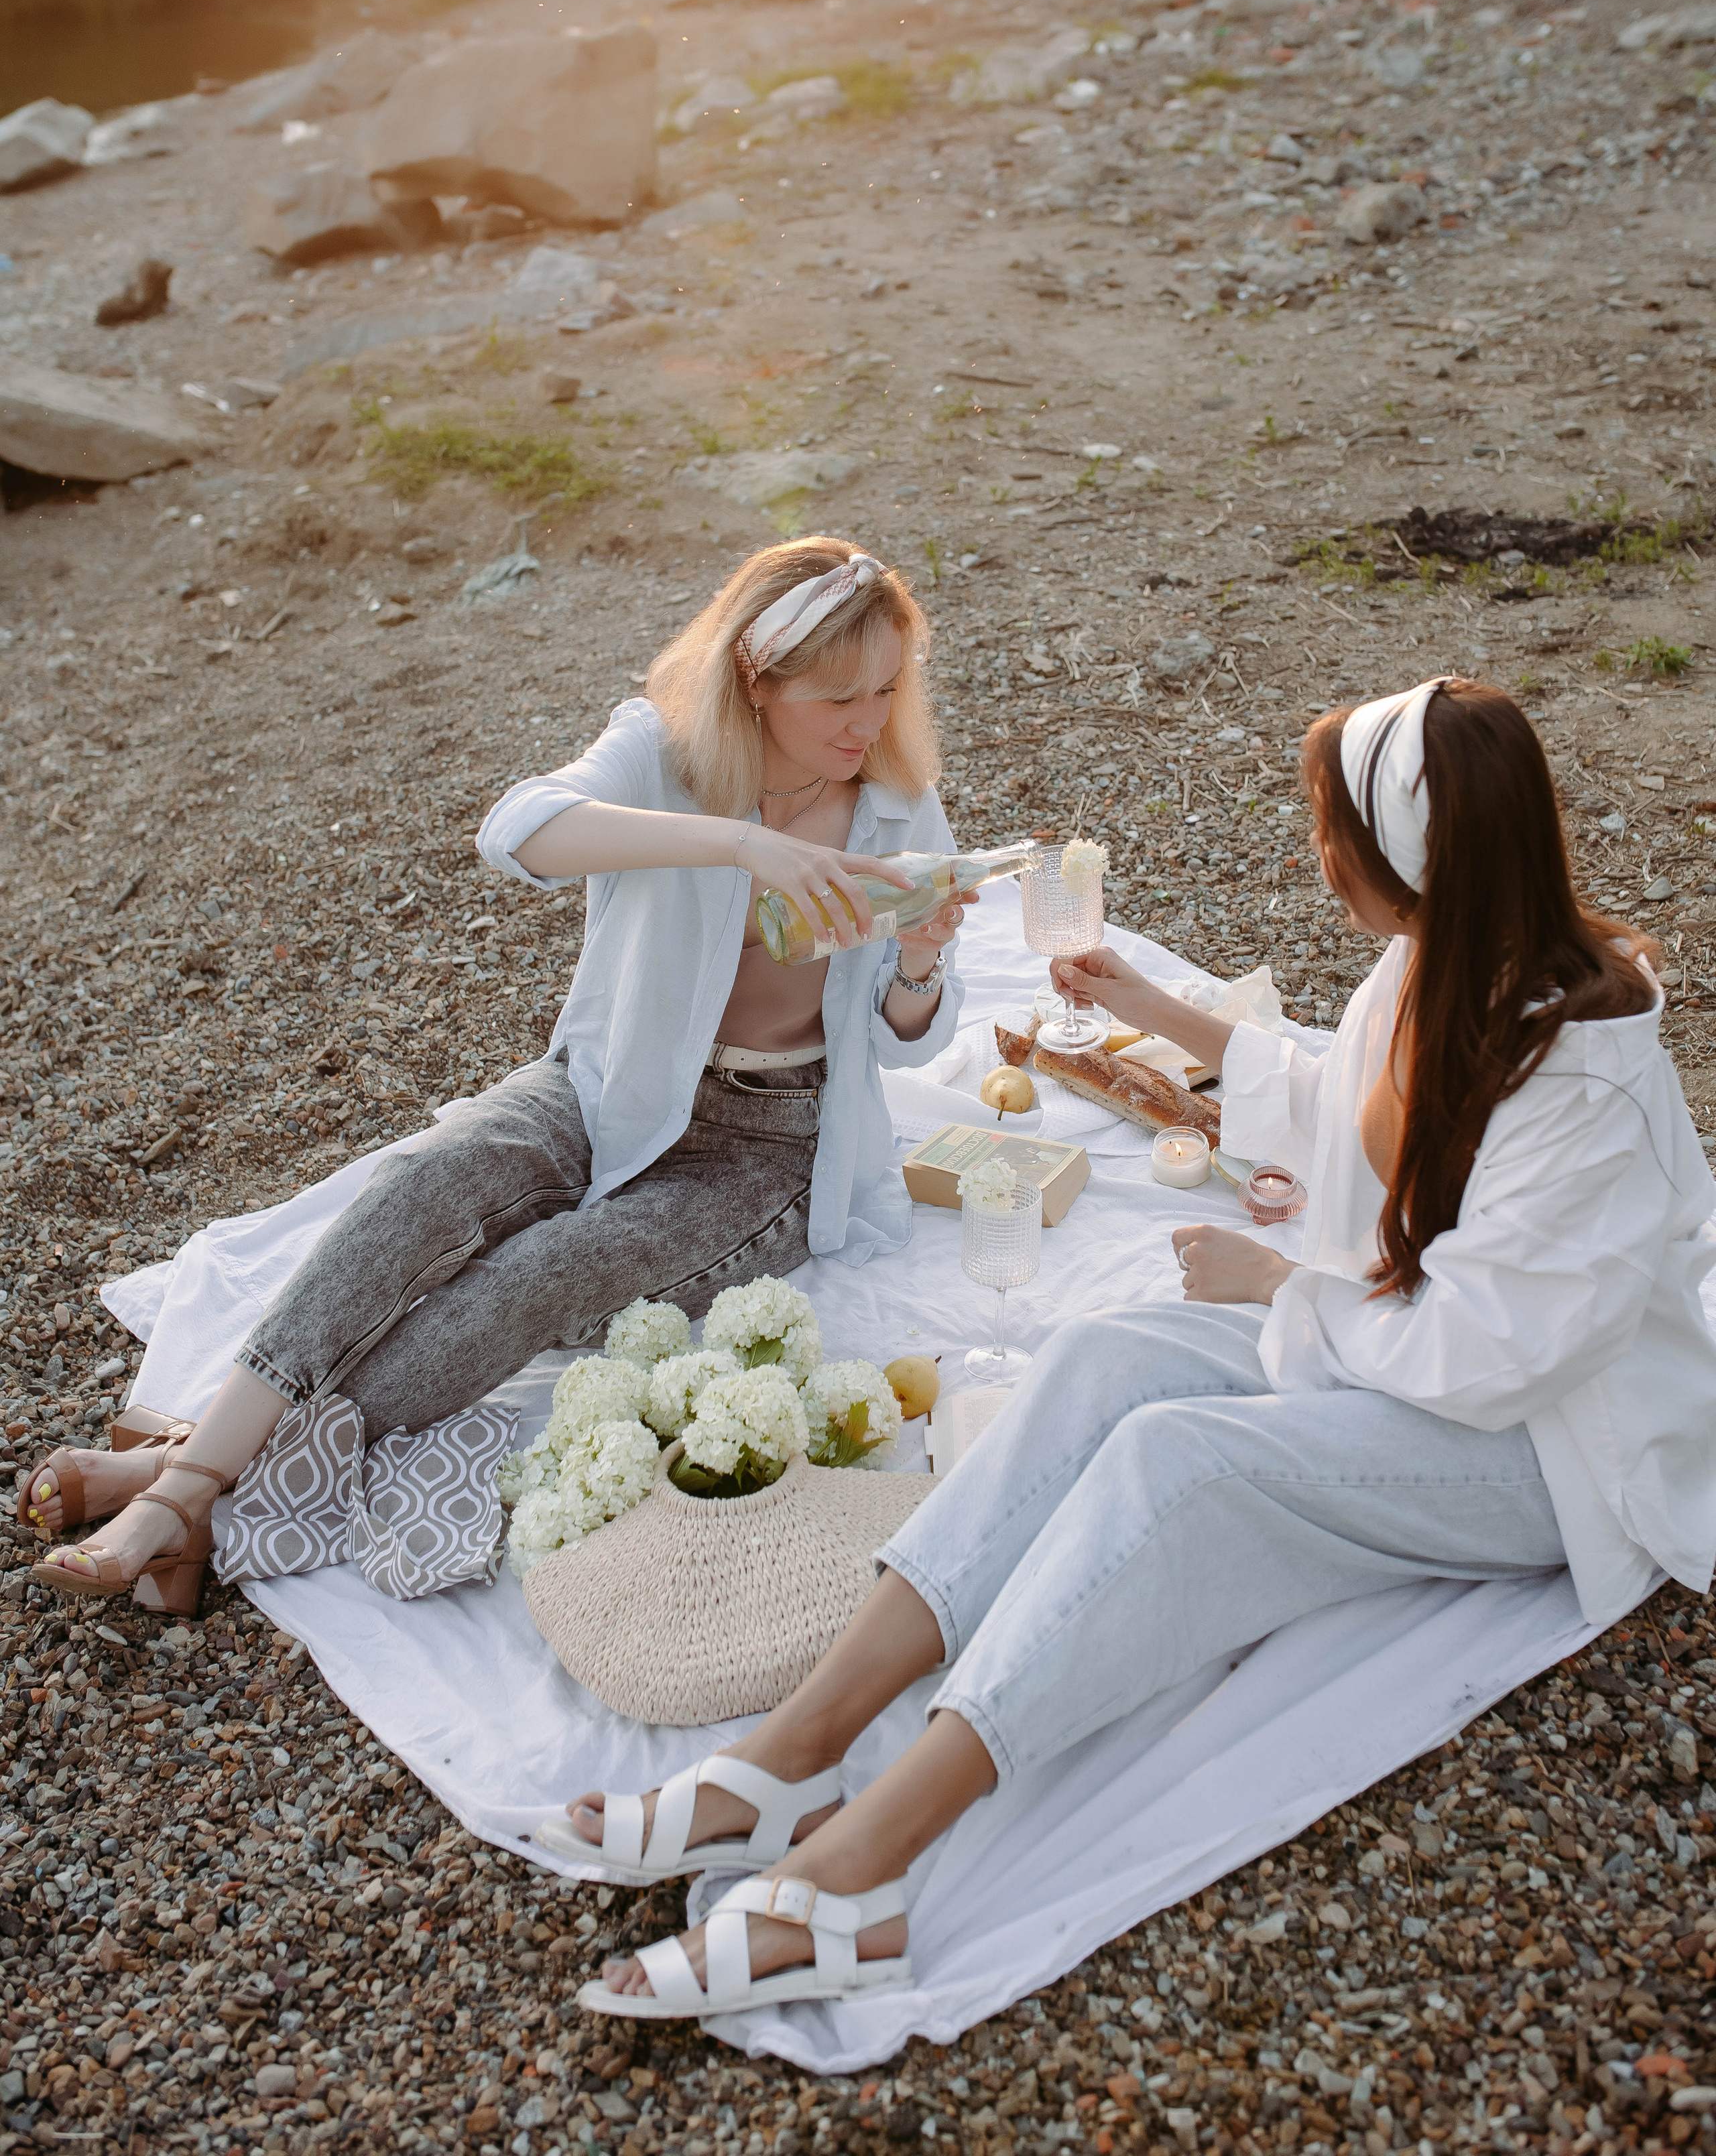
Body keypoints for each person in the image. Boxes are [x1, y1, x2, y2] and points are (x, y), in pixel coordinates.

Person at [552, 678, 1716, 2021]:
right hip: (1412, 1343)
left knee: (1179, 1463)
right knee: (1107, 1362)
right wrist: (1155, 1010)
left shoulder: (1582, 1072)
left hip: (1552, 1450)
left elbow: (1488, 1358)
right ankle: (787, 1756)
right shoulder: (1443, 955)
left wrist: (1286, 1286)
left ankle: (859, 1875)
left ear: (1400, 860)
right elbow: (1345, 1095)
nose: (1314, 856)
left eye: (1326, 832)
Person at [21, 540, 969, 1612]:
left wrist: (925, 957)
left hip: (773, 1145)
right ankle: (190, 1486)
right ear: (755, 679)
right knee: (421, 1182)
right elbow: (516, 831)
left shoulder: (898, 805)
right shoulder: (661, 752)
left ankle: (178, 1482)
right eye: (838, 696)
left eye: (890, 689)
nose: (868, 722)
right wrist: (739, 846)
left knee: (538, 1277)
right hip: (615, 1078)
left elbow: (908, 1040)